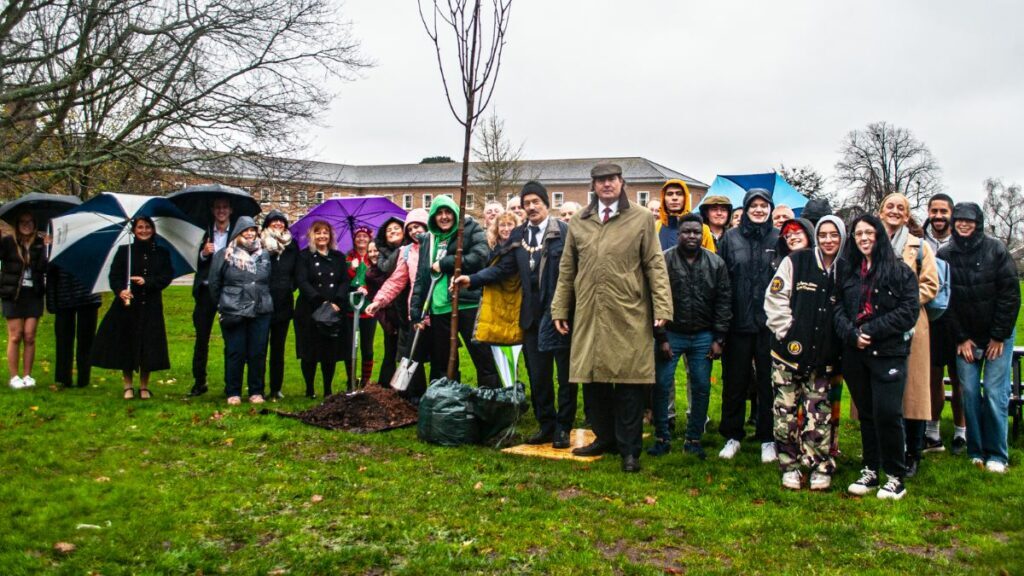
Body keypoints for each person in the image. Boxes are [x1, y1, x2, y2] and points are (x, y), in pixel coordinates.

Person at [551, 162, 672, 473]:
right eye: (601, 180)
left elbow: (655, 264)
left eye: (612, 179)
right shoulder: (580, 221)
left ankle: (630, 450)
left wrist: (662, 307)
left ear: (621, 182)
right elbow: (567, 268)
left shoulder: (641, 218)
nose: (607, 184)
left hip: (628, 310)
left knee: (630, 382)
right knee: (594, 381)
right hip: (589, 311)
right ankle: (605, 437)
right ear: (593, 186)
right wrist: (560, 308)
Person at [454, 181, 577, 448]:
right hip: (530, 316)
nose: (531, 207)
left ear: (546, 204)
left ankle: (564, 427)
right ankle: (546, 424)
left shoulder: (564, 231)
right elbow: (503, 267)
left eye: (536, 202)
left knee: (565, 375)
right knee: (538, 376)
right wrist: (472, 279)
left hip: (560, 316)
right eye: (526, 203)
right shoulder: (518, 235)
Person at [835, 214, 919, 500]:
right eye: (858, 233)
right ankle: (870, 469)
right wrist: (851, 334)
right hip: (855, 353)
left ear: (879, 235)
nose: (864, 238)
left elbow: (908, 312)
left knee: (888, 413)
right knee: (867, 413)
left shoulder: (899, 271)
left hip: (888, 353)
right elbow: (837, 309)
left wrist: (871, 330)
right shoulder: (849, 272)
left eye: (869, 232)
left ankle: (895, 476)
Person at [765, 216, 846, 490]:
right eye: (823, 235)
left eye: (834, 235)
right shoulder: (796, 261)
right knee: (785, 414)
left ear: (842, 237)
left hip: (824, 357)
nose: (828, 240)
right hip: (788, 355)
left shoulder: (844, 269)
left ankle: (819, 465)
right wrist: (787, 332)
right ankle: (789, 465)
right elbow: (774, 298)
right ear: (816, 237)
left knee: (818, 414)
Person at [940, 202, 1021, 474]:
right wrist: (961, 338)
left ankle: (997, 453)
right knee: (970, 392)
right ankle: (975, 450)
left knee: (996, 392)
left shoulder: (996, 250)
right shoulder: (945, 253)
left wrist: (998, 336)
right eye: (959, 220)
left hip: (997, 335)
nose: (964, 224)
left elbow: (1010, 295)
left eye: (969, 220)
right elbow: (945, 301)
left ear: (978, 223)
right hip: (965, 337)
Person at [650, 214, 731, 460]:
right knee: (662, 385)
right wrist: (661, 337)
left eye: (696, 232)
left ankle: (694, 439)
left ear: (702, 234)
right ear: (679, 234)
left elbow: (724, 301)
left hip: (703, 335)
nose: (692, 236)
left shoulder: (716, 263)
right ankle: (662, 438)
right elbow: (654, 298)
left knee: (701, 386)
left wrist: (719, 338)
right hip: (671, 333)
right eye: (687, 232)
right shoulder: (664, 260)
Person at [878, 192, 939, 478]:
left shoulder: (919, 247)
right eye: (889, 206)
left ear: (906, 215)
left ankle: (913, 452)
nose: (894, 211)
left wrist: (903, 302)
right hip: (878, 323)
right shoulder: (870, 242)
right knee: (883, 389)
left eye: (900, 208)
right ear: (880, 212)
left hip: (911, 323)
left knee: (913, 391)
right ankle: (884, 449)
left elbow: (931, 284)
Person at [716, 188, 780, 462]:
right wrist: (722, 323)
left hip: (769, 325)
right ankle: (732, 436)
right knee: (735, 382)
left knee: (768, 383)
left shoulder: (778, 238)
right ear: (745, 208)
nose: (758, 210)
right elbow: (721, 281)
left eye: (764, 205)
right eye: (754, 205)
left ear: (770, 209)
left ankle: (768, 438)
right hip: (737, 324)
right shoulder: (730, 238)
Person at [410, 195, 499, 387]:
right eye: (439, 213)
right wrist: (416, 311)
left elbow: (481, 256)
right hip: (439, 308)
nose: (444, 217)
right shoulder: (428, 239)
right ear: (433, 217)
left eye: (448, 212)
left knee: (482, 355)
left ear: (455, 213)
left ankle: (491, 396)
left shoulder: (470, 229)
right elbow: (421, 277)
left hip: (467, 304)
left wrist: (445, 263)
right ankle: (449, 398)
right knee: (444, 360)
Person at [92, 217, 174, 399]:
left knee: (148, 345)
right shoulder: (125, 252)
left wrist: (147, 281)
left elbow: (166, 276)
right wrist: (121, 291)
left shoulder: (161, 253)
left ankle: (144, 386)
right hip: (128, 306)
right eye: (140, 227)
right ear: (134, 230)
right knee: (127, 345)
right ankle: (128, 385)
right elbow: (114, 276)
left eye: (148, 227)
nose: (144, 231)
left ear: (153, 230)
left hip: (151, 305)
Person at [365, 209, 429, 398]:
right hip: (412, 311)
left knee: (439, 356)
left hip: (437, 309)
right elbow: (396, 280)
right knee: (408, 355)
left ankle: (439, 397)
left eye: (417, 226)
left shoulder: (437, 247)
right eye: (411, 228)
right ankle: (409, 397)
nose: (414, 231)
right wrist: (378, 301)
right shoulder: (405, 252)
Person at [209, 217, 273, 405]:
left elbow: (268, 280)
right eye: (246, 230)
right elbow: (214, 283)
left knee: (258, 352)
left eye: (253, 230)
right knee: (235, 351)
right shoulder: (224, 254)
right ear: (237, 233)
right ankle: (233, 391)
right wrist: (222, 304)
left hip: (260, 309)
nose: (250, 234)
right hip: (233, 309)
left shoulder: (264, 254)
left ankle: (256, 391)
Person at [922, 193, 966, 454]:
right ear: (929, 213)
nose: (938, 216)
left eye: (943, 211)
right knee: (933, 376)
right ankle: (932, 431)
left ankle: (961, 432)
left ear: (951, 214)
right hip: (932, 320)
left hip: (959, 319)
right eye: (934, 211)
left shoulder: (962, 242)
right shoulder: (920, 241)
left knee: (960, 378)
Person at [294, 221, 350, 398]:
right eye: (318, 232)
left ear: (330, 236)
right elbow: (302, 281)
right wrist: (320, 301)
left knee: (329, 352)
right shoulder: (304, 256)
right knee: (309, 352)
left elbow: (344, 281)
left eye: (325, 232)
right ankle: (309, 389)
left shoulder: (338, 257)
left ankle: (327, 390)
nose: (322, 236)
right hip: (309, 310)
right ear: (312, 236)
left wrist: (337, 301)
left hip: (333, 310)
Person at [189, 197, 233, 397]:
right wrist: (203, 253)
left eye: (224, 207)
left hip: (227, 291)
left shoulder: (236, 233)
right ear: (213, 210)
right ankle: (199, 382)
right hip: (206, 291)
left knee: (230, 339)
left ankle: (230, 383)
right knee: (201, 338)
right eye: (217, 208)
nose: (221, 211)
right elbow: (192, 260)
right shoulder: (204, 233)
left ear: (230, 210)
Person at [1, 212, 48, 389]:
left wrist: (47, 249)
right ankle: (14, 377)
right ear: (17, 224)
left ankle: (27, 375)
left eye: (29, 222)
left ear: (35, 224)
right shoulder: (8, 242)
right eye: (22, 221)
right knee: (15, 335)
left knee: (29, 335)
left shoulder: (40, 243)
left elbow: (43, 268)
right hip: (13, 293)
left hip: (33, 294)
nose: (26, 225)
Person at [261, 210, 298, 401]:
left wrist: (289, 286)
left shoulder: (292, 246)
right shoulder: (260, 243)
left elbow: (297, 272)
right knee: (259, 348)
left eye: (281, 221)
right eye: (273, 221)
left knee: (278, 348)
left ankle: (276, 387)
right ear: (267, 224)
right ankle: (257, 387)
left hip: (283, 302)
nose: (278, 224)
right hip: (262, 301)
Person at [46, 262, 101, 388]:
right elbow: (51, 276)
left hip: (88, 297)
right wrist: (52, 302)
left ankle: (84, 378)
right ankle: (63, 377)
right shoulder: (59, 253)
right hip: (64, 296)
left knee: (86, 340)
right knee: (63, 338)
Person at [372, 215, 407, 388]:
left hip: (407, 305)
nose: (392, 231)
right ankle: (385, 388)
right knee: (390, 349)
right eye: (388, 230)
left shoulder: (413, 249)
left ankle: (405, 388)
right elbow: (385, 269)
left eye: (396, 228)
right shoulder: (383, 254)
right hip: (390, 308)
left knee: (407, 350)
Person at [345, 226, 377, 389]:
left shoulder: (374, 257)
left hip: (368, 308)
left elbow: (379, 279)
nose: (361, 239)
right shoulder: (348, 258)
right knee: (350, 346)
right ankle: (351, 380)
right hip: (351, 308)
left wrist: (367, 287)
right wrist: (352, 269)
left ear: (369, 239)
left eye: (365, 236)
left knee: (367, 347)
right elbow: (343, 281)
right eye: (358, 236)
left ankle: (365, 381)